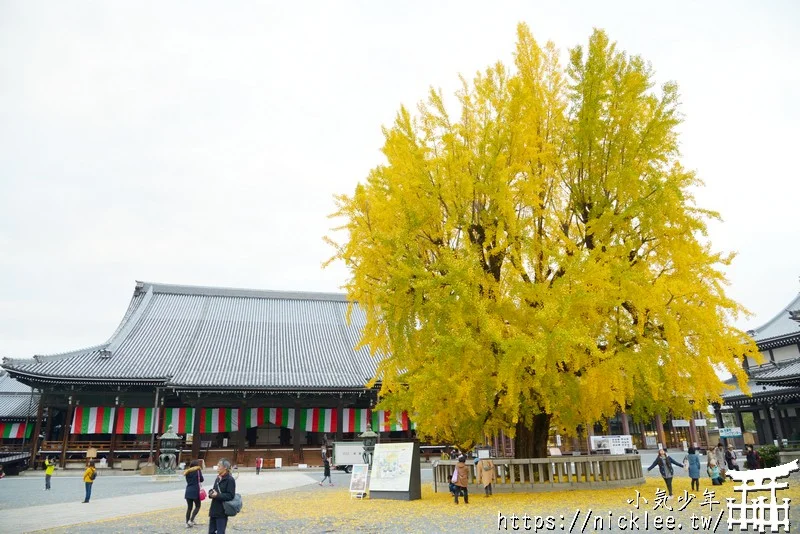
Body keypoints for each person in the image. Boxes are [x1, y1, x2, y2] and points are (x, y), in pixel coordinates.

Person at [208, 458, 236, 534]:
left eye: (219, 466)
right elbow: (214, 490)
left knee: (220, 532)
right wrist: (211, 493)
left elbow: (230, 495)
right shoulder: (218, 478)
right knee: (211, 532)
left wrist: (217, 495)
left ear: (225, 468)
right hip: (214, 509)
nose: (218, 468)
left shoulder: (230, 480)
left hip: (222, 510)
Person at [184, 459, 204, 528]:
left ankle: (187, 522)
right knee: (198, 506)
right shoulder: (198, 471)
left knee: (189, 508)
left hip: (188, 491)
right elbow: (201, 479)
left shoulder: (187, 472)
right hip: (195, 491)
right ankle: (191, 520)